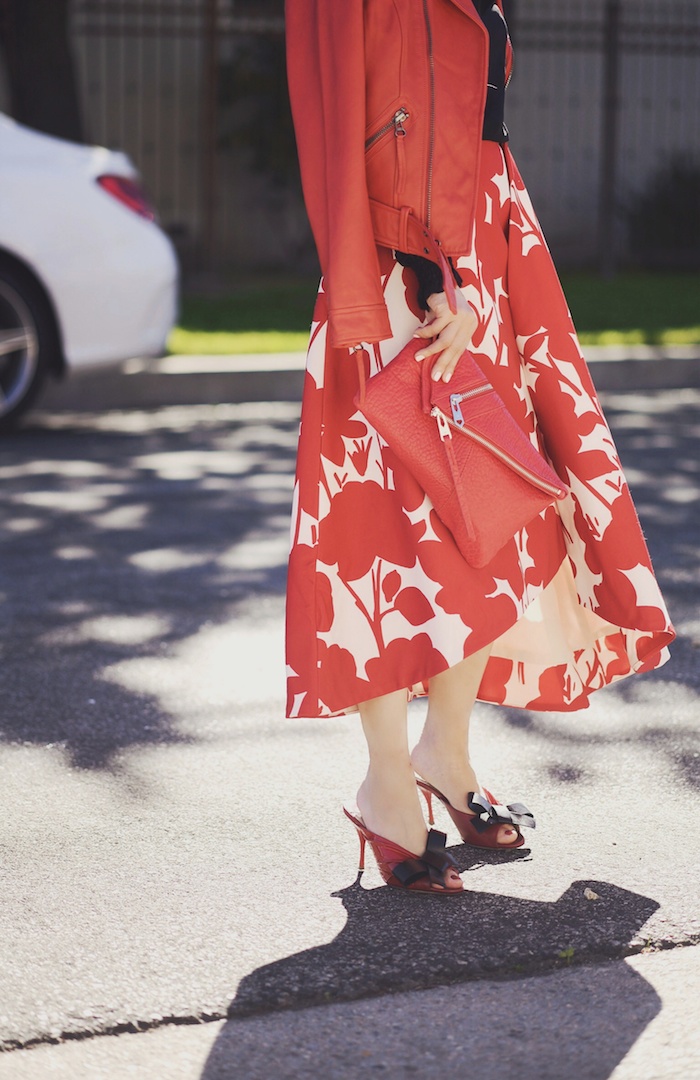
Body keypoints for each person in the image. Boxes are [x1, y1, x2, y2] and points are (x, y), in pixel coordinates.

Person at [284, 0, 675, 894]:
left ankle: (445, 754)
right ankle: (388, 782)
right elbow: (354, 111)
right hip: (406, 262)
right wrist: (425, 267)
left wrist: (461, 260)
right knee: (382, 528)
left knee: (487, 514)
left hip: (486, 244)